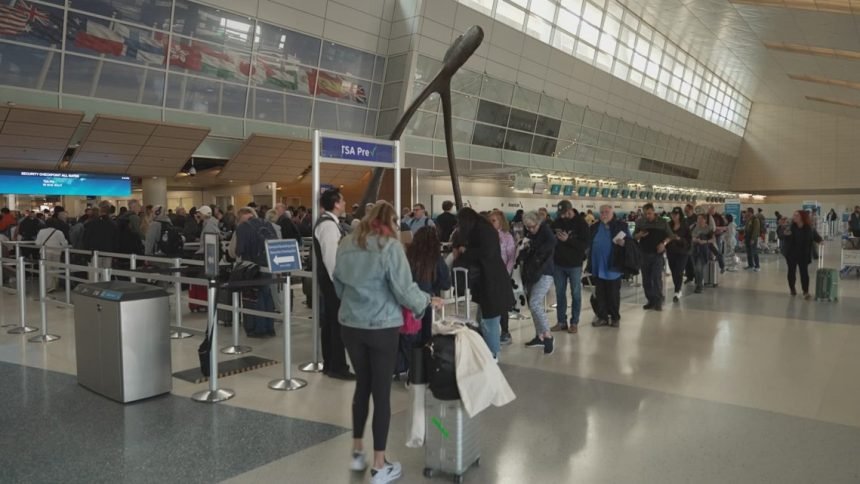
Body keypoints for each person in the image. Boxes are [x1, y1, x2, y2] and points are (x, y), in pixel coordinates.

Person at [333, 202, 442, 484]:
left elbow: (338, 283)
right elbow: (404, 290)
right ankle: (380, 465)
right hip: (381, 328)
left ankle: (358, 452)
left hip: (350, 326)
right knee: (381, 394)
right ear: (391, 222)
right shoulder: (390, 247)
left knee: (362, 386)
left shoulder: (346, 243)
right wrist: (426, 301)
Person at [453, 207, 515, 359]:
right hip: (489, 282)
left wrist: (465, 251)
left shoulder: (482, 232)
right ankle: (489, 353)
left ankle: (492, 355)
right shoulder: (483, 230)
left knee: (489, 320)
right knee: (485, 319)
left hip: (491, 283)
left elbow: (485, 252)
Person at [314, 189, 353, 380]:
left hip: (330, 282)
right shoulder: (328, 226)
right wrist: (341, 283)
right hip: (333, 283)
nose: (344, 203)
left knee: (331, 323)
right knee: (337, 325)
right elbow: (331, 258)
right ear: (336, 203)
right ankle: (337, 366)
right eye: (342, 200)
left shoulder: (329, 223)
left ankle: (331, 364)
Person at [235, 207, 277, 337]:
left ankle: (258, 329)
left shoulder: (243, 228)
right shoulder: (267, 224)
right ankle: (270, 327)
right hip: (268, 265)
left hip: (251, 267)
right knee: (267, 296)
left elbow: (239, 250)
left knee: (254, 297)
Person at [406, 226, 451, 345]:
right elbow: (446, 283)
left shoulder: (407, 255)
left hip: (407, 303)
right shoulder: (436, 258)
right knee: (425, 340)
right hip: (428, 303)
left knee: (407, 341)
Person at [520, 211, 557, 354]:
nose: (530, 229)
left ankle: (547, 335)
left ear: (539, 223)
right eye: (527, 227)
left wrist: (531, 245)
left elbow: (549, 246)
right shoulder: (530, 234)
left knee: (535, 303)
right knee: (533, 305)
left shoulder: (546, 233)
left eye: (532, 226)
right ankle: (539, 336)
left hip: (545, 272)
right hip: (531, 272)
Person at [550, 200, 589, 334]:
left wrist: (568, 240)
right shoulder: (557, 222)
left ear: (570, 210)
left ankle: (574, 322)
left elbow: (584, 245)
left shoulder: (581, 223)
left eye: (564, 213)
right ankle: (561, 322)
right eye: (560, 213)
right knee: (560, 294)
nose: (562, 216)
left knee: (576, 294)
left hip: (574, 265)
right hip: (558, 264)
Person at [588, 205, 631, 328]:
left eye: (607, 212)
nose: (604, 215)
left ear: (612, 213)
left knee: (613, 294)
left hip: (613, 266)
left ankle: (615, 317)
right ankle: (602, 317)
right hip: (598, 266)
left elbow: (631, 243)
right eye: (601, 212)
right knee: (600, 293)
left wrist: (624, 243)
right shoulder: (595, 227)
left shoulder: (621, 226)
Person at [634, 203, 672, 311]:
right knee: (646, 280)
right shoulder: (640, 222)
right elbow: (634, 236)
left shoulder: (662, 222)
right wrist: (640, 235)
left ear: (654, 211)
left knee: (656, 278)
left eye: (649, 213)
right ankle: (650, 300)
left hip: (657, 255)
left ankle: (658, 300)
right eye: (645, 214)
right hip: (644, 254)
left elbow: (670, 236)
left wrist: (663, 244)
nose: (647, 216)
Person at [489, 210, 516, 345]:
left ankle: (505, 331)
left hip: (502, 274)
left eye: (493, 220)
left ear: (500, 222)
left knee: (502, 304)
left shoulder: (507, 237)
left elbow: (511, 257)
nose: (491, 223)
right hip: (489, 273)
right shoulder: (487, 235)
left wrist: (506, 272)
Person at [784, 210, 820, 299]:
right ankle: (792, 289)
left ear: (802, 217)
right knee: (791, 272)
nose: (794, 217)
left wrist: (820, 240)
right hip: (791, 253)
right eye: (794, 215)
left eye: (796, 215)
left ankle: (805, 291)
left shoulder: (808, 228)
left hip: (803, 254)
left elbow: (815, 235)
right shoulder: (791, 227)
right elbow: (781, 233)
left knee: (804, 273)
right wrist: (784, 234)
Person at [667, 207, 691, 302]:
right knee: (674, 271)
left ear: (680, 215)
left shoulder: (685, 226)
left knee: (679, 271)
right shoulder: (669, 225)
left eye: (676, 214)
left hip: (682, 252)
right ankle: (677, 288)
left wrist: (679, 239)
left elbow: (689, 240)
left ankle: (677, 291)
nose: (674, 216)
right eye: (673, 214)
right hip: (671, 252)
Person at [690, 214, 715, 294]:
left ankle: (699, 286)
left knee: (699, 268)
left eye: (701, 219)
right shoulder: (694, 227)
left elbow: (713, 240)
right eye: (698, 219)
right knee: (695, 269)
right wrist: (694, 239)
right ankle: (698, 281)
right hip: (694, 250)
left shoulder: (708, 229)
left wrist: (705, 241)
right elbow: (690, 237)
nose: (699, 220)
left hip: (703, 251)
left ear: (705, 220)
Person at [744, 207, 762, 271]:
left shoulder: (755, 219)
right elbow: (746, 228)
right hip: (747, 237)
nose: (746, 213)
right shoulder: (748, 219)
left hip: (752, 238)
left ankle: (757, 266)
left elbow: (756, 230)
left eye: (747, 212)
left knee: (754, 251)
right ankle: (750, 265)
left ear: (750, 212)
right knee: (748, 252)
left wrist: (753, 239)